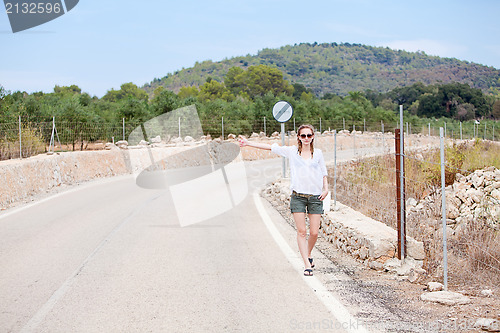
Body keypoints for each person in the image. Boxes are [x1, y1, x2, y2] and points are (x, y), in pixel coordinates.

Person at [238, 124, 328, 276]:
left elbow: (323, 172)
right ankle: (307, 264)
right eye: (303, 135)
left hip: (315, 197)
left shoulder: (318, 153)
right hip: (298, 196)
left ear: (313, 137)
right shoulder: (292, 151)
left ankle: (308, 253)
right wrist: (248, 143)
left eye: (309, 135)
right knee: (302, 231)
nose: (306, 138)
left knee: (313, 232)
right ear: (299, 137)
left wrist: (326, 189)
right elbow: (270, 147)